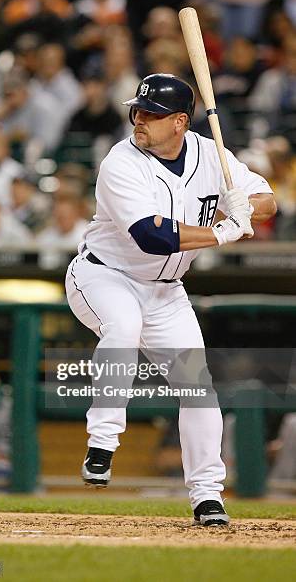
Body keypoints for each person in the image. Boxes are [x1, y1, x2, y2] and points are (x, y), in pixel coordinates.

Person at [65, 73, 276, 526]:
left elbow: (268, 202)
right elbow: (151, 235)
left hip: (166, 293)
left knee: (197, 390)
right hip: (106, 276)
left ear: (180, 121)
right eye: (136, 110)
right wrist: (222, 231)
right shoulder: (120, 161)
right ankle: (102, 443)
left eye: (151, 114)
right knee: (123, 328)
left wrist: (243, 203)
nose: (138, 119)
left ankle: (207, 497)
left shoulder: (209, 152)